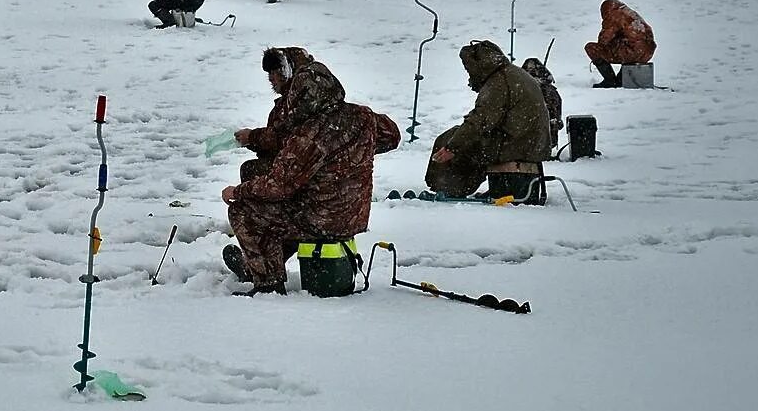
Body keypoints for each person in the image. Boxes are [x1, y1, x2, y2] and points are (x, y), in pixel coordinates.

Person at [222, 47, 400, 296]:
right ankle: (261, 262)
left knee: (243, 209)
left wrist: (237, 191)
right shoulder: (362, 116)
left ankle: (268, 284)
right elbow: (392, 136)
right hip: (353, 215)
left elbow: (278, 186)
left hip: (321, 220)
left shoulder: (309, 133)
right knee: (275, 187)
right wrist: (351, 152)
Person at [424, 39, 550, 198]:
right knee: (463, 138)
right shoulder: (513, 74)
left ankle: (447, 189)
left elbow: (479, 121)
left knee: (452, 139)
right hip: (531, 144)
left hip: (517, 145)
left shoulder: (498, 82)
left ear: (478, 65)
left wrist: (451, 148)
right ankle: (463, 186)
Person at [584, 0, 656, 88]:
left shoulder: (613, 15)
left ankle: (610, 80)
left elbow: (604, 39)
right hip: (646, 53)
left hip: (631, 51)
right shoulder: (631, 15)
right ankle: (621, 79)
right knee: (625, 46)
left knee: (592, 48)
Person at [521, 57, 563, 151]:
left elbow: (556, 116)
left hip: (542, 140)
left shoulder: (549, 91)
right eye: (529, 70)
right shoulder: (520, 90)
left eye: (533, 70)